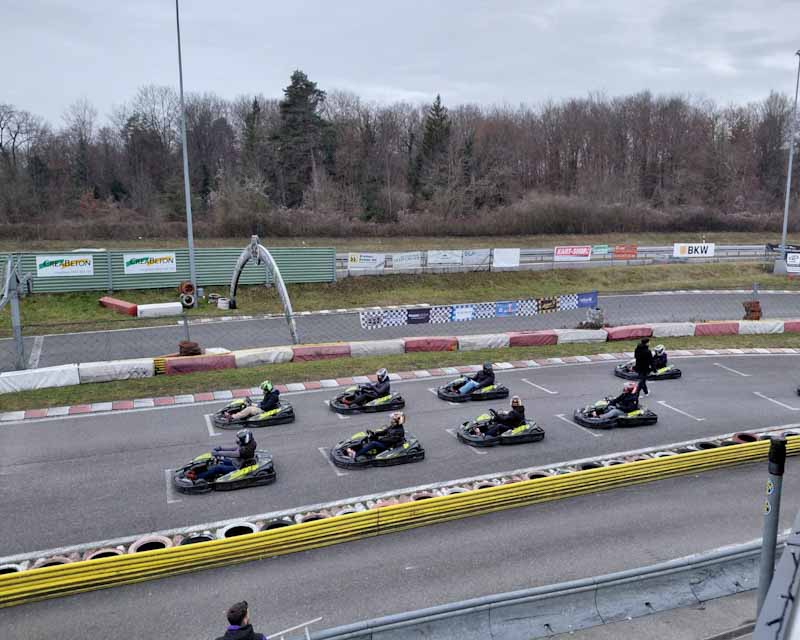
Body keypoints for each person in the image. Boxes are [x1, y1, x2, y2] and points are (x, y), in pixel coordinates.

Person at [189, 429, 257, 482]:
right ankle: (197, 471)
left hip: (238, 467)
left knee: (217, 468)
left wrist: (218, 453)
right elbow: (235, 448)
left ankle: (196, 477)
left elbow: (233, 454)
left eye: (241, 439)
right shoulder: (247, 443)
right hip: (236, 462)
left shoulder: (247, 450)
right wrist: (221, 448)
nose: (239, 440)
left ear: (245, 439)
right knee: (217, 461)